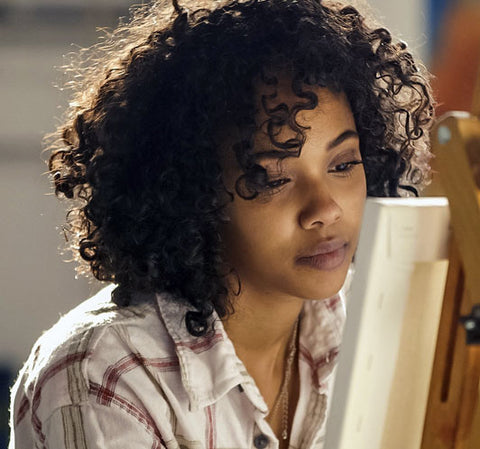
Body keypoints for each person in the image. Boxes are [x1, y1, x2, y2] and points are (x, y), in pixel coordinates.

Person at [8, 0, 434, 448]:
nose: (325, 208)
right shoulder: (107, 376)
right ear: (193, 193)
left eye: (344, 164)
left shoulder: (373, 322)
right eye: (273, 178)